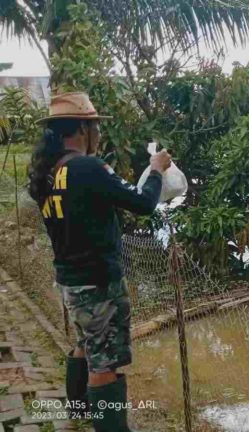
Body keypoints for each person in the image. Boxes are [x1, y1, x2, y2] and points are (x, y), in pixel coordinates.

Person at [28, 92, 171, 431]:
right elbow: (142, 202)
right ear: (82, 128)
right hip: (98, 282)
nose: (99, 135)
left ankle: (79, 413)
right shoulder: (87, 167)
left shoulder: (48, 172)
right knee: (104, 365)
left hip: (70, 280)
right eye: (95, 128)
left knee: (84, 344)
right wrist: (156, 170)